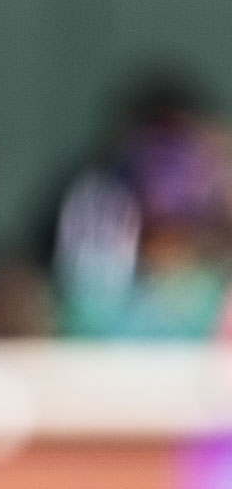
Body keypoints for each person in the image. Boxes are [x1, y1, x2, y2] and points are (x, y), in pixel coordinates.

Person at [51, 68, 232, 340]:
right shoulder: (92, 213)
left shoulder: (215, 277)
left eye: (181, 149)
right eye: (157, 148)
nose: (168, 172)